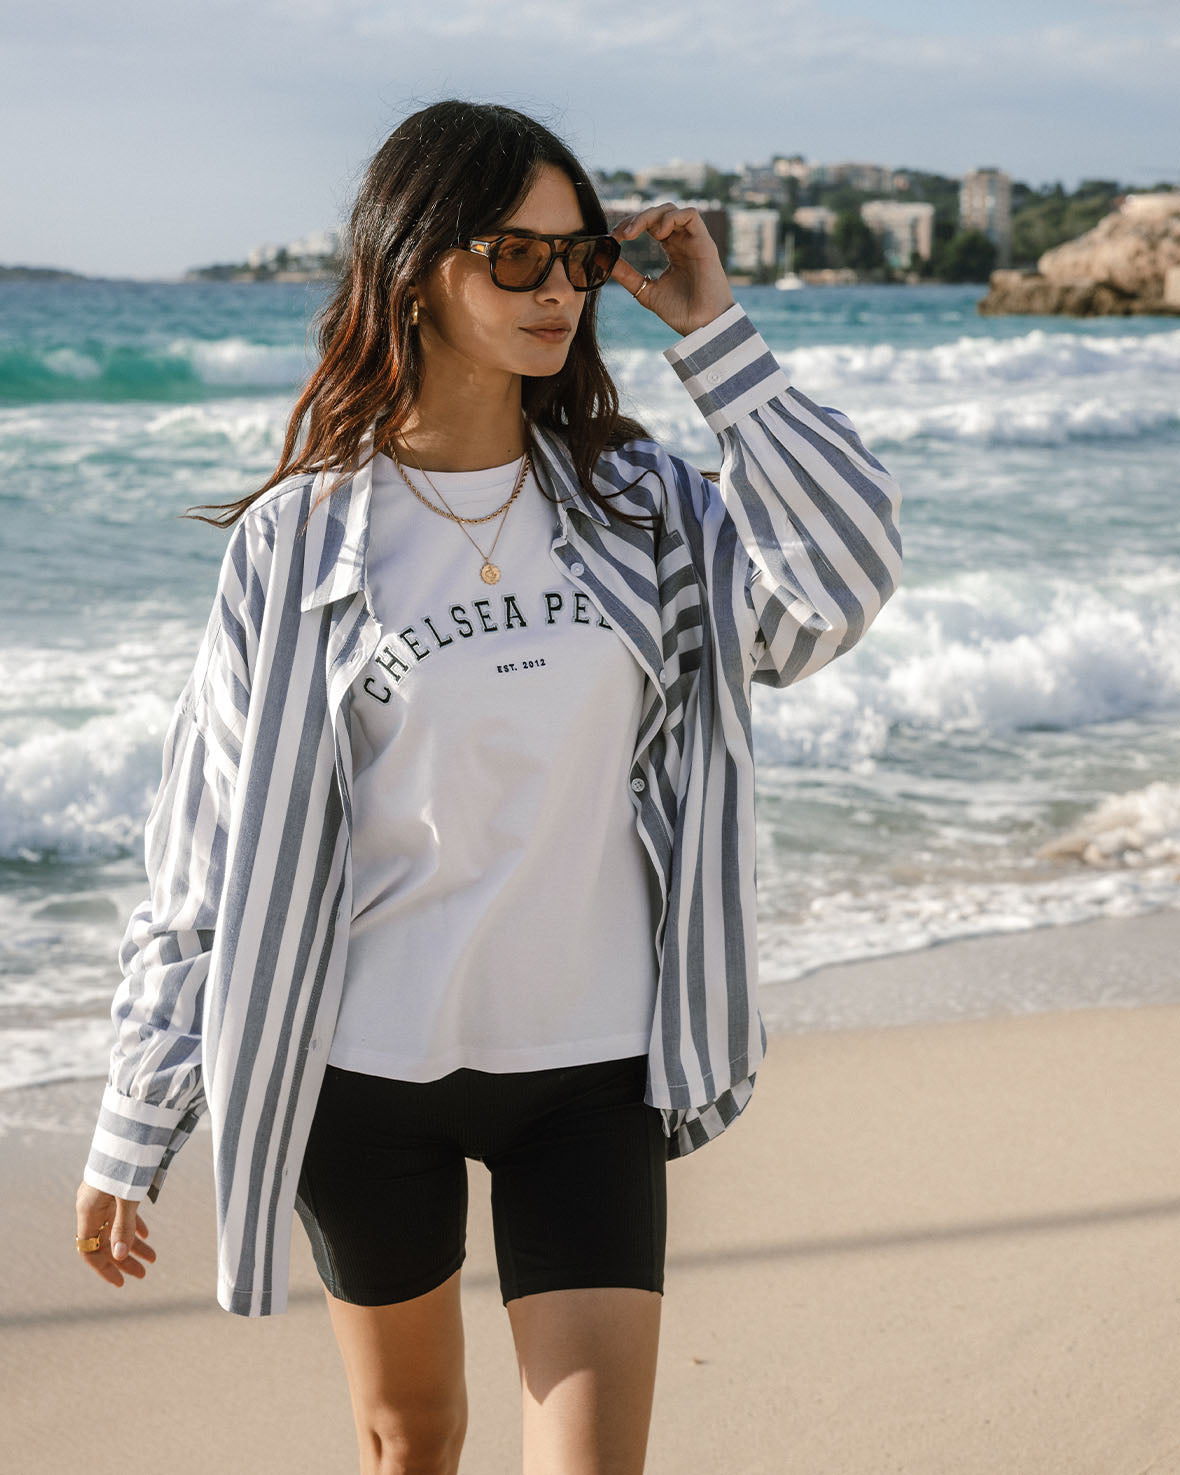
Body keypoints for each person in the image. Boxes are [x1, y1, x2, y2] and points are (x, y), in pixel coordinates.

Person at [74, 100, 902, 1475]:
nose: (558, 289)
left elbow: (836, 585)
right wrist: (136, 1113)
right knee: (412, 1442)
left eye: (579, 258)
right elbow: (211, 846)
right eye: (516, 256)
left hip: (590, 1065)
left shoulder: (643, 507)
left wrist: (716, 337)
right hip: (363, 1066)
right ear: (415, 269)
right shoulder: (299, 542)